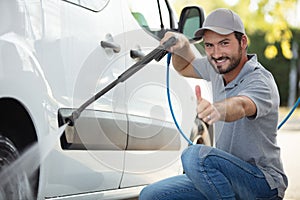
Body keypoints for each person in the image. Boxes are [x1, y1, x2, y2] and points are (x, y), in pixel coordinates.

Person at [139, 8, 288, 199]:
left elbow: (242, 105)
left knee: (194, 156)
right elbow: (184, 66)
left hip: (262, 183)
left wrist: (218, 109)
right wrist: (182, 44)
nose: (216, 53)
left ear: (243, 42)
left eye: (224, 43)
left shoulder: (260, 80)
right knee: (151, 195)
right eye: (209, 45)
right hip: (224, 177)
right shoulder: (216, 68)